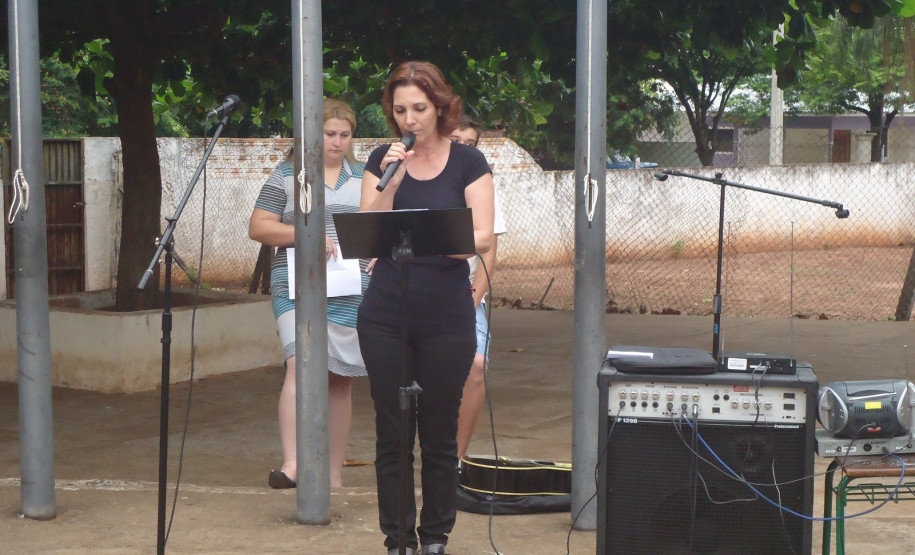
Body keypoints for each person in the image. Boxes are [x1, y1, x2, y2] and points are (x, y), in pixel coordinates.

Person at [358, 61, 495, 555]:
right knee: (392, 432)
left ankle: (435, 537)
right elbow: (368, 231)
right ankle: (397, 540)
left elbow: (480, 235)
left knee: (438, 432)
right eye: (399, 110)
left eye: (419, 108)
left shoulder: (468, 163)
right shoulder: (381, 159)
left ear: (439, 106)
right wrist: (391, 181)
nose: (409, 119)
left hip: (446, 313)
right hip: (386, 312)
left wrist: (435, 237)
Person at [248, 98, 368, 489]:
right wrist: (308, 237)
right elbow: (259, 227)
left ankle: (332, 473)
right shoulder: (288, 175)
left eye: (344, 135)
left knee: (339, 378)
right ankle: (294, 464)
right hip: (295, 284)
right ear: (311, 136)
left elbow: (377, 228)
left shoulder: (366, 177)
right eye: (329, 134)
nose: (336, 142)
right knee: (299, 365)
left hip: (350, 287)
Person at [448, 116, 508, 461]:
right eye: (456, 139)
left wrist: (471, 301)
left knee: (476, 364)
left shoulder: (481, 188)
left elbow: (488, 258)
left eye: (470, 143)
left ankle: (455, 458)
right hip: (418, 292)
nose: (462, 148)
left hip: (464, 296)